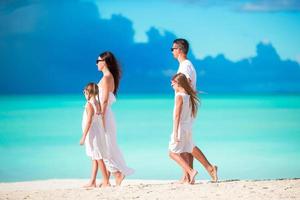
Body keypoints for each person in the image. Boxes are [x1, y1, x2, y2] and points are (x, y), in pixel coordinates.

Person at [171, 38, 218, 183]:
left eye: (173, 49)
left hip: (184, 106)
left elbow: (187, 84)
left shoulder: (185, 66)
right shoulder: (186, 65)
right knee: (186, 142)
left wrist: (182, 100)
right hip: (186, 105)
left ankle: (207, 168)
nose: (172, 52)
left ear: (179, 50)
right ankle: (188, 175)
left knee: (186, 143)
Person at [96, 51, 134, 186]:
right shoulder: (108, 77)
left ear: (105, 62)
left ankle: (117, 173)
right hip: (105, 115)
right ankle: (110, 176)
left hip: (104, 115)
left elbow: (104, 100)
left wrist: (100, 117)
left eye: (98, 61)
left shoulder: (106, 78)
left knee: (104, 146)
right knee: (107, 145)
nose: (96, 63)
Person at [169, 73, 199, 184]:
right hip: (188, 127)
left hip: (181, 127)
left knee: (172, 153)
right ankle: (190, 178)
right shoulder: (188, 96)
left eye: (173, 82)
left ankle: (191, 171)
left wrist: (175, 133)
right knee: (184, 152)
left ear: (179, 83)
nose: (171, 84)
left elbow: (177, 116)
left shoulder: (179, 96)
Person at [80, 83, 110, 187]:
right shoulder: (97, 103)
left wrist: (83, 137)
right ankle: (92, 181)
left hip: (92, 134)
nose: (84, 94)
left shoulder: (89, 105)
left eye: (84, 92)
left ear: (88, 93)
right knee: (95, 158)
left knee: (98, 157)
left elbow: (89, 122)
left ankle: (106, 181)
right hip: (98, 132)